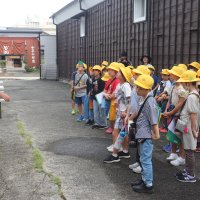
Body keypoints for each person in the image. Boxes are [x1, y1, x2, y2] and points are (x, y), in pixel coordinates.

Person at [131, 74, 160, 194]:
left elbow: (153, 119)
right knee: (143, 159)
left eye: (140, 88)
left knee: (146, 159)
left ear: (147, 89)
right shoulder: (144, 98)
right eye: (137, 87)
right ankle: (144, 179)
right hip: (141, 133)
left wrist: (157, 134)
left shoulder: (149, 101)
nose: (137, 89)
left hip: (146, 135)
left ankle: (148, 184)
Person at [175, 70, 200, 183]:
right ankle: (188, 171)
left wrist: (194, 130)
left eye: (185, 82)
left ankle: (190, 175)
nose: (184, 84)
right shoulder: (194, 95)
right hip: (189, 126)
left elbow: (193, 114)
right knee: (188, 149)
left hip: (189, 126)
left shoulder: (191, 97)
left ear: (188, 83)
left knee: (189, 151)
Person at [103, 67, 132, 163]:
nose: (117, 73)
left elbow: (129, 100)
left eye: (119, 72)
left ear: (123, 76)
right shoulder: (120, 84)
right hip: (121, 112)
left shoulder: (126, 86)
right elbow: (115, 95)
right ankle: (125, 151)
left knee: (116, 132)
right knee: (124, 132)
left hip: (123, 113)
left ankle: (115, 153)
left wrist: (126, 113)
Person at [163, 66, 187, 166]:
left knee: (180, 136)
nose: (170, 75)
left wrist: (171, 113)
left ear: (177, 75)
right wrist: (166, 109)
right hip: (172, 113)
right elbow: (169, 99)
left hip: (179, 116)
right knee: (172, 134)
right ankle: (173, 153)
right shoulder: (174, 86)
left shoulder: (182, 89)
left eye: (172, 74)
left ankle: (182, 157)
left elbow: (180, 104)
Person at [103, 62, 120, 135]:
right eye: (109, 69)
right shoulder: (109, 80)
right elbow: (104, 90)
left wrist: (107, 95)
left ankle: (113, 127)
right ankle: (111, 126)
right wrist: (106, 94)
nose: (109, 71)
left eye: (111, 70)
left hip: (114, 100)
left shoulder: (117, 81)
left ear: (116, 72)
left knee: (113, 115)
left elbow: (115, 93)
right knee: (110, 115)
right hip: (108, 99)